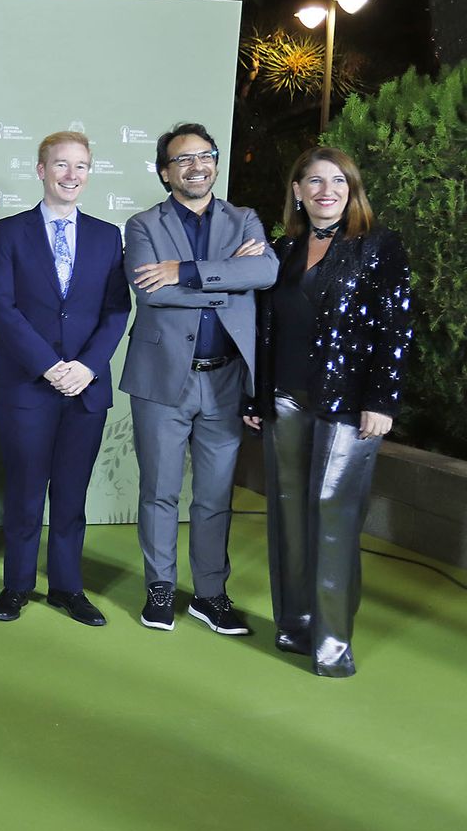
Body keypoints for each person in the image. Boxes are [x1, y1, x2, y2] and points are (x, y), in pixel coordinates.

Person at [243, 147, 410, 677]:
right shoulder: (282, 250)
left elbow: (395, 329)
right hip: (286, 400)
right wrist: (258, 395)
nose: (325, 191)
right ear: (297, 191)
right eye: (313, 182)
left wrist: (382, 400)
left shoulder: (379, 247)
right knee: (289, 514)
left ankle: (333, 645)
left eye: (337, 181)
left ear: (352, 189)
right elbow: (264, 329)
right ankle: (295, 626)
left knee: (333, 516)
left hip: (350, 406)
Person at [121, 122, 276, 634]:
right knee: (160, 491)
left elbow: (266, 273)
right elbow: (152, 292)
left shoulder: (245, 218)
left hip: (227, 379)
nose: (197, 166)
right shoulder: (143, 225)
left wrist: (186, 272)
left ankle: (210, 594)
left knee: (214, 497)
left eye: (204, 156)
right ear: (166, 172)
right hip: (163, 381)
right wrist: (228, 277)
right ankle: (160, 588)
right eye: (183, 160)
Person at [0, 131, 131, 625]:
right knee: (25, 493)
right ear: (41, 170)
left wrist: (86, 367)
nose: (71, 175)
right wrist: (49, 366)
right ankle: (17, 586)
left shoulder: (109, 236)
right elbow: (1, 308)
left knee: (71, 495)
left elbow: (116, 311)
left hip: (86, 389)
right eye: (61, 165)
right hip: (27, 387)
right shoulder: (8, 231)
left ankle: (68, 588)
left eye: (81, 166)